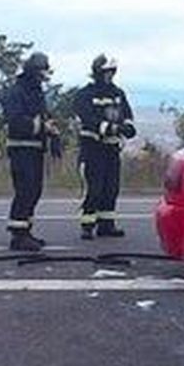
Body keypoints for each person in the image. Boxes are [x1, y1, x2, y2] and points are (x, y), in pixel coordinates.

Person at [73, 54, 137, 240]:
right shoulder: (85, 94)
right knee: (94, 188)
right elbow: (88, 119)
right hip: (92, 149)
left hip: (112, 149)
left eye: (112, 71)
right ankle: (87, 225)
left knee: (111, 188)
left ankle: (106, 225)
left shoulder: (118, 93)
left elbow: (127, 114)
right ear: (98, 72)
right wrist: (111, 128)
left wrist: (128, 127)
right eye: (106, 71)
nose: (110, 75)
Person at [1, 51, 59, 252]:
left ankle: (25, 230)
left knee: (34, 191)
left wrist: (53, 135)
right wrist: (42, 127)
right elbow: (16, 122)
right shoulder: (16, 92)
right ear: (33, 71)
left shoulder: (36, 92)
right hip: (21, 149)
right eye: (42, 72)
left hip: (35, 150)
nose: (44, 76)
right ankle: (18, 236)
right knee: (25, 191)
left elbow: (43, 116)